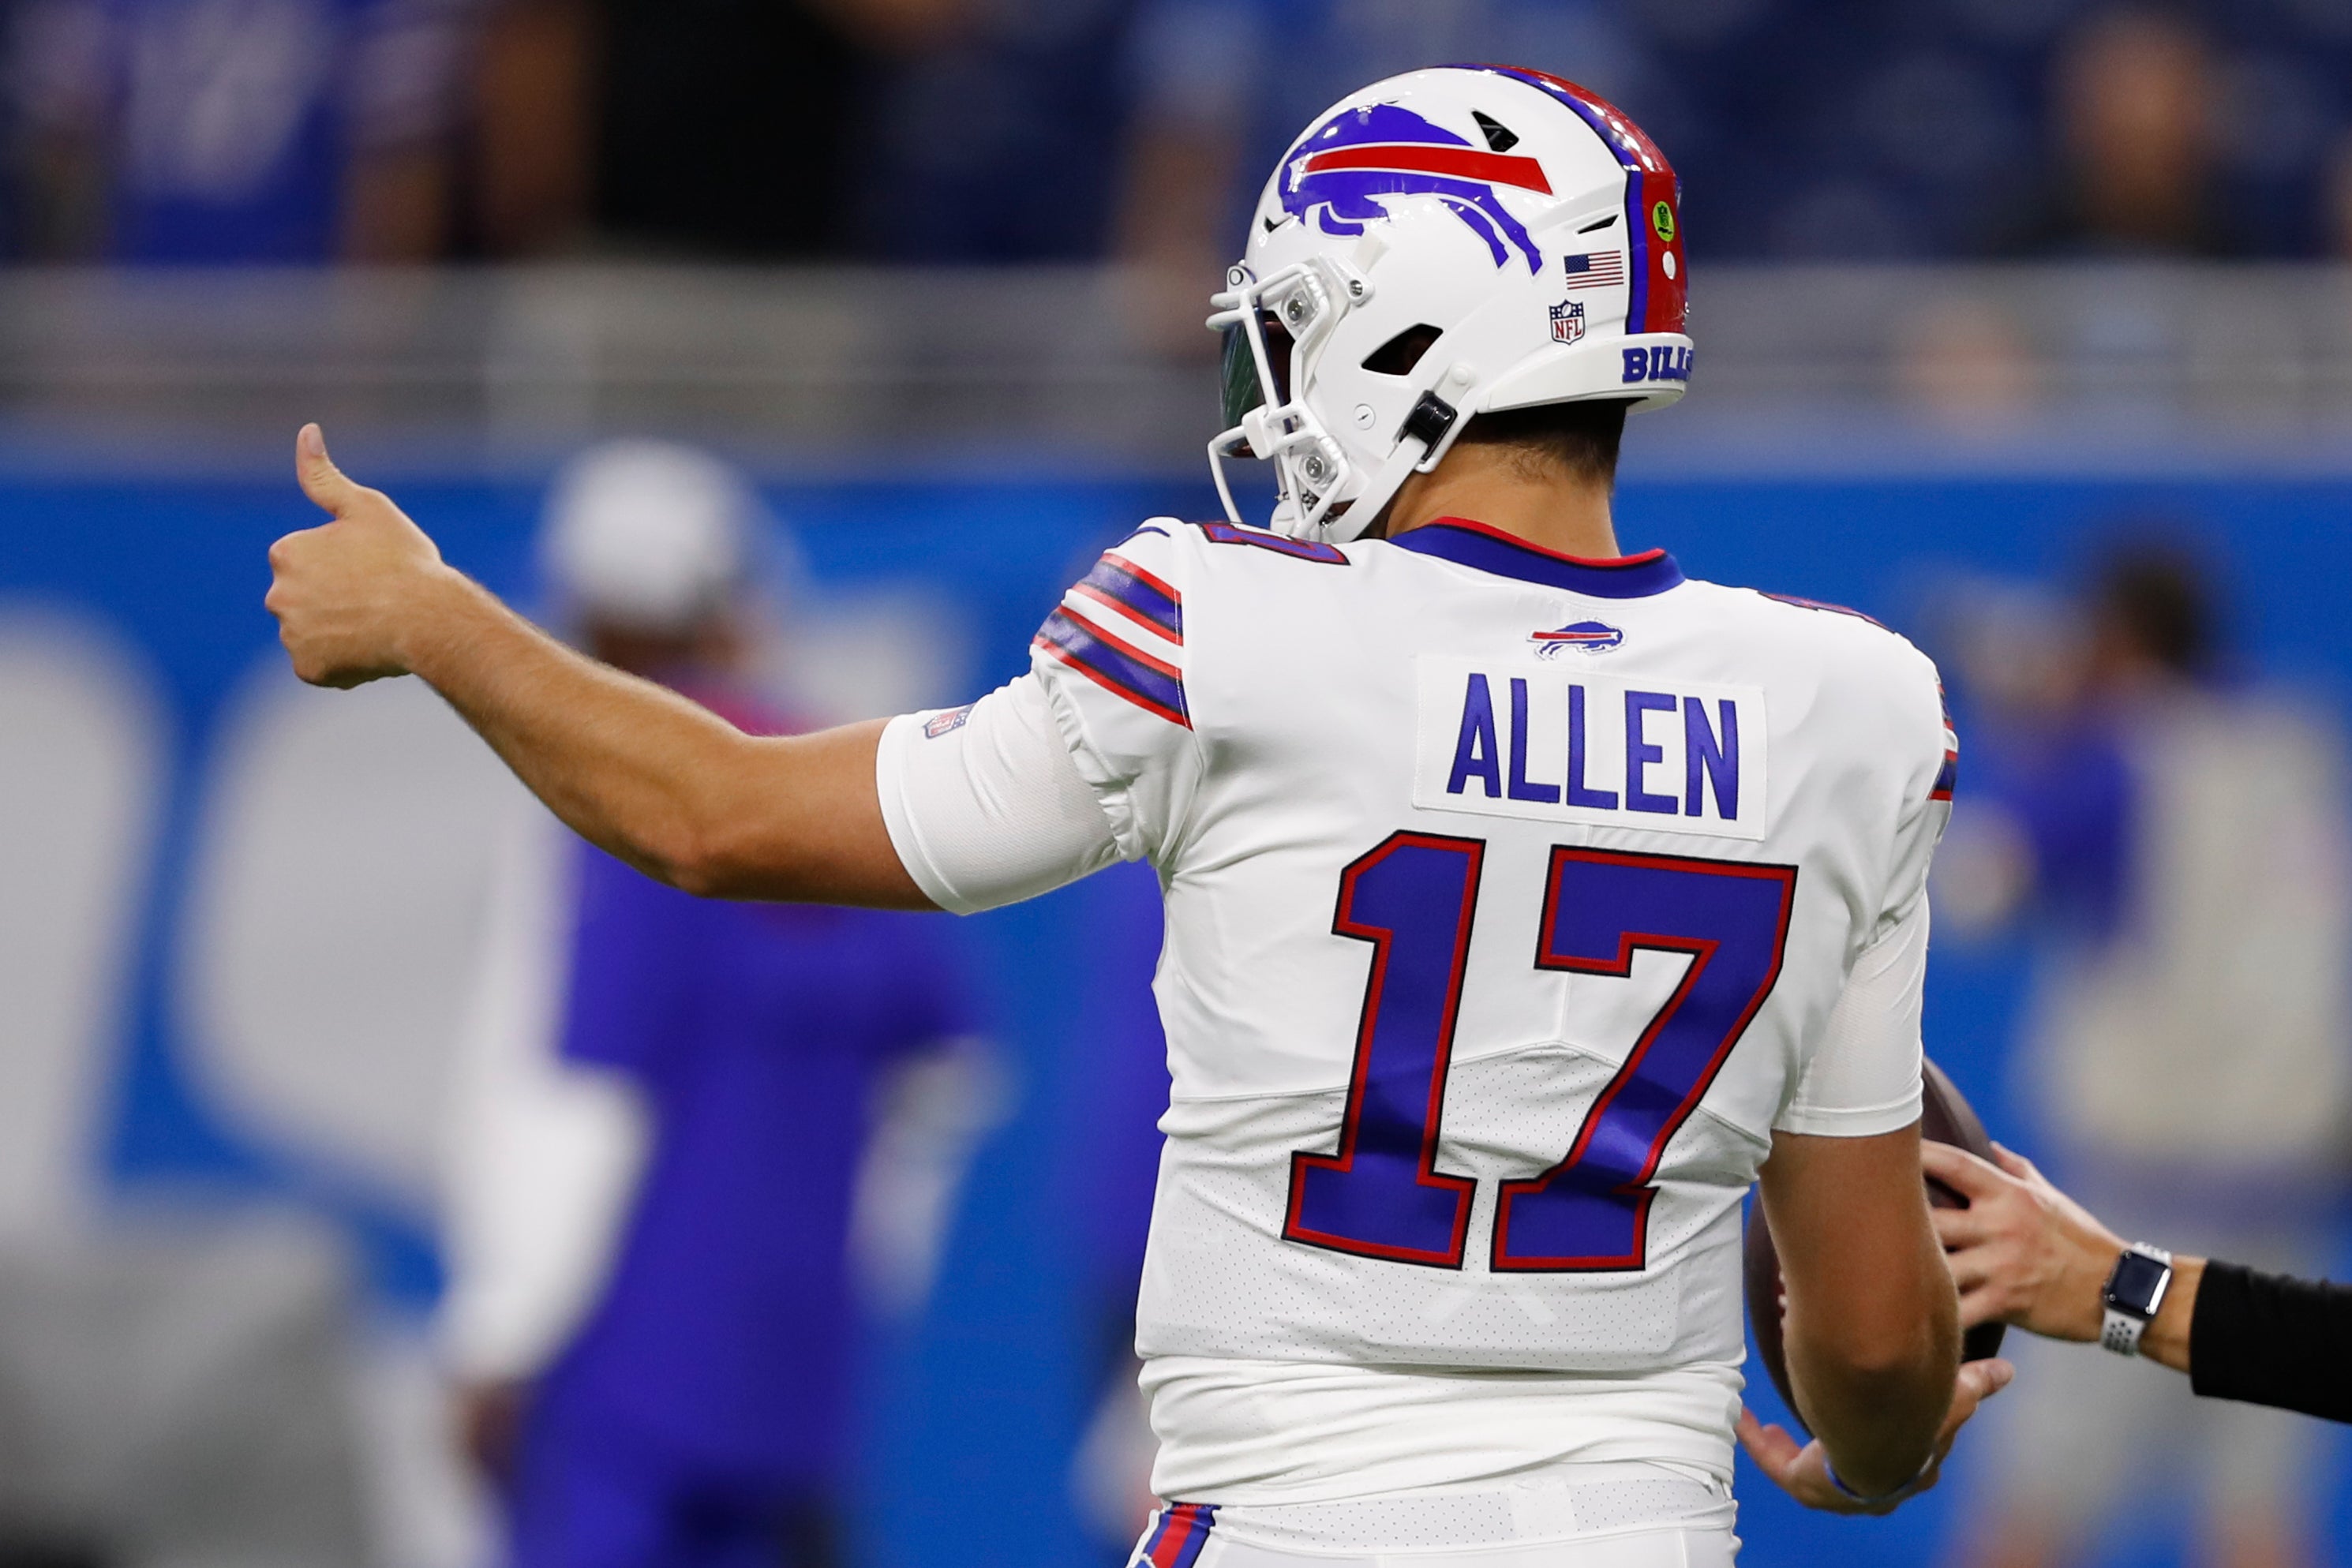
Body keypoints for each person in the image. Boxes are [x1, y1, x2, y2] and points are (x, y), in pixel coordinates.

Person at [265, 65, 2009, 1563]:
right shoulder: (1852, 710)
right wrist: (1874, 1455)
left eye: (1296, 328)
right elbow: (1871, 1344)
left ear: (1410, 330)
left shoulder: (1219, 627)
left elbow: (719, 821)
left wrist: (436, 620)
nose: (1271, 384)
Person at [436, 441, 992, 1568]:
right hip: (795, 1388)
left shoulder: (610, 797)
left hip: (614, 1382)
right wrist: (850, 1274)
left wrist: (501, 1333)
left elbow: (576, 1097)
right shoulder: (838, 788)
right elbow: (949, 1071)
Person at [1931, 542, 2350, 1568]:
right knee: (2258, 1525)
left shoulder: (2116, 757)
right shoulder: (2298, 743)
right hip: (2285, 1200)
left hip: (2129, 1220)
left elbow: (1977, 889)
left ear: (2116, 639)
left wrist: (2040, 735)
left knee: (2031, 1516)